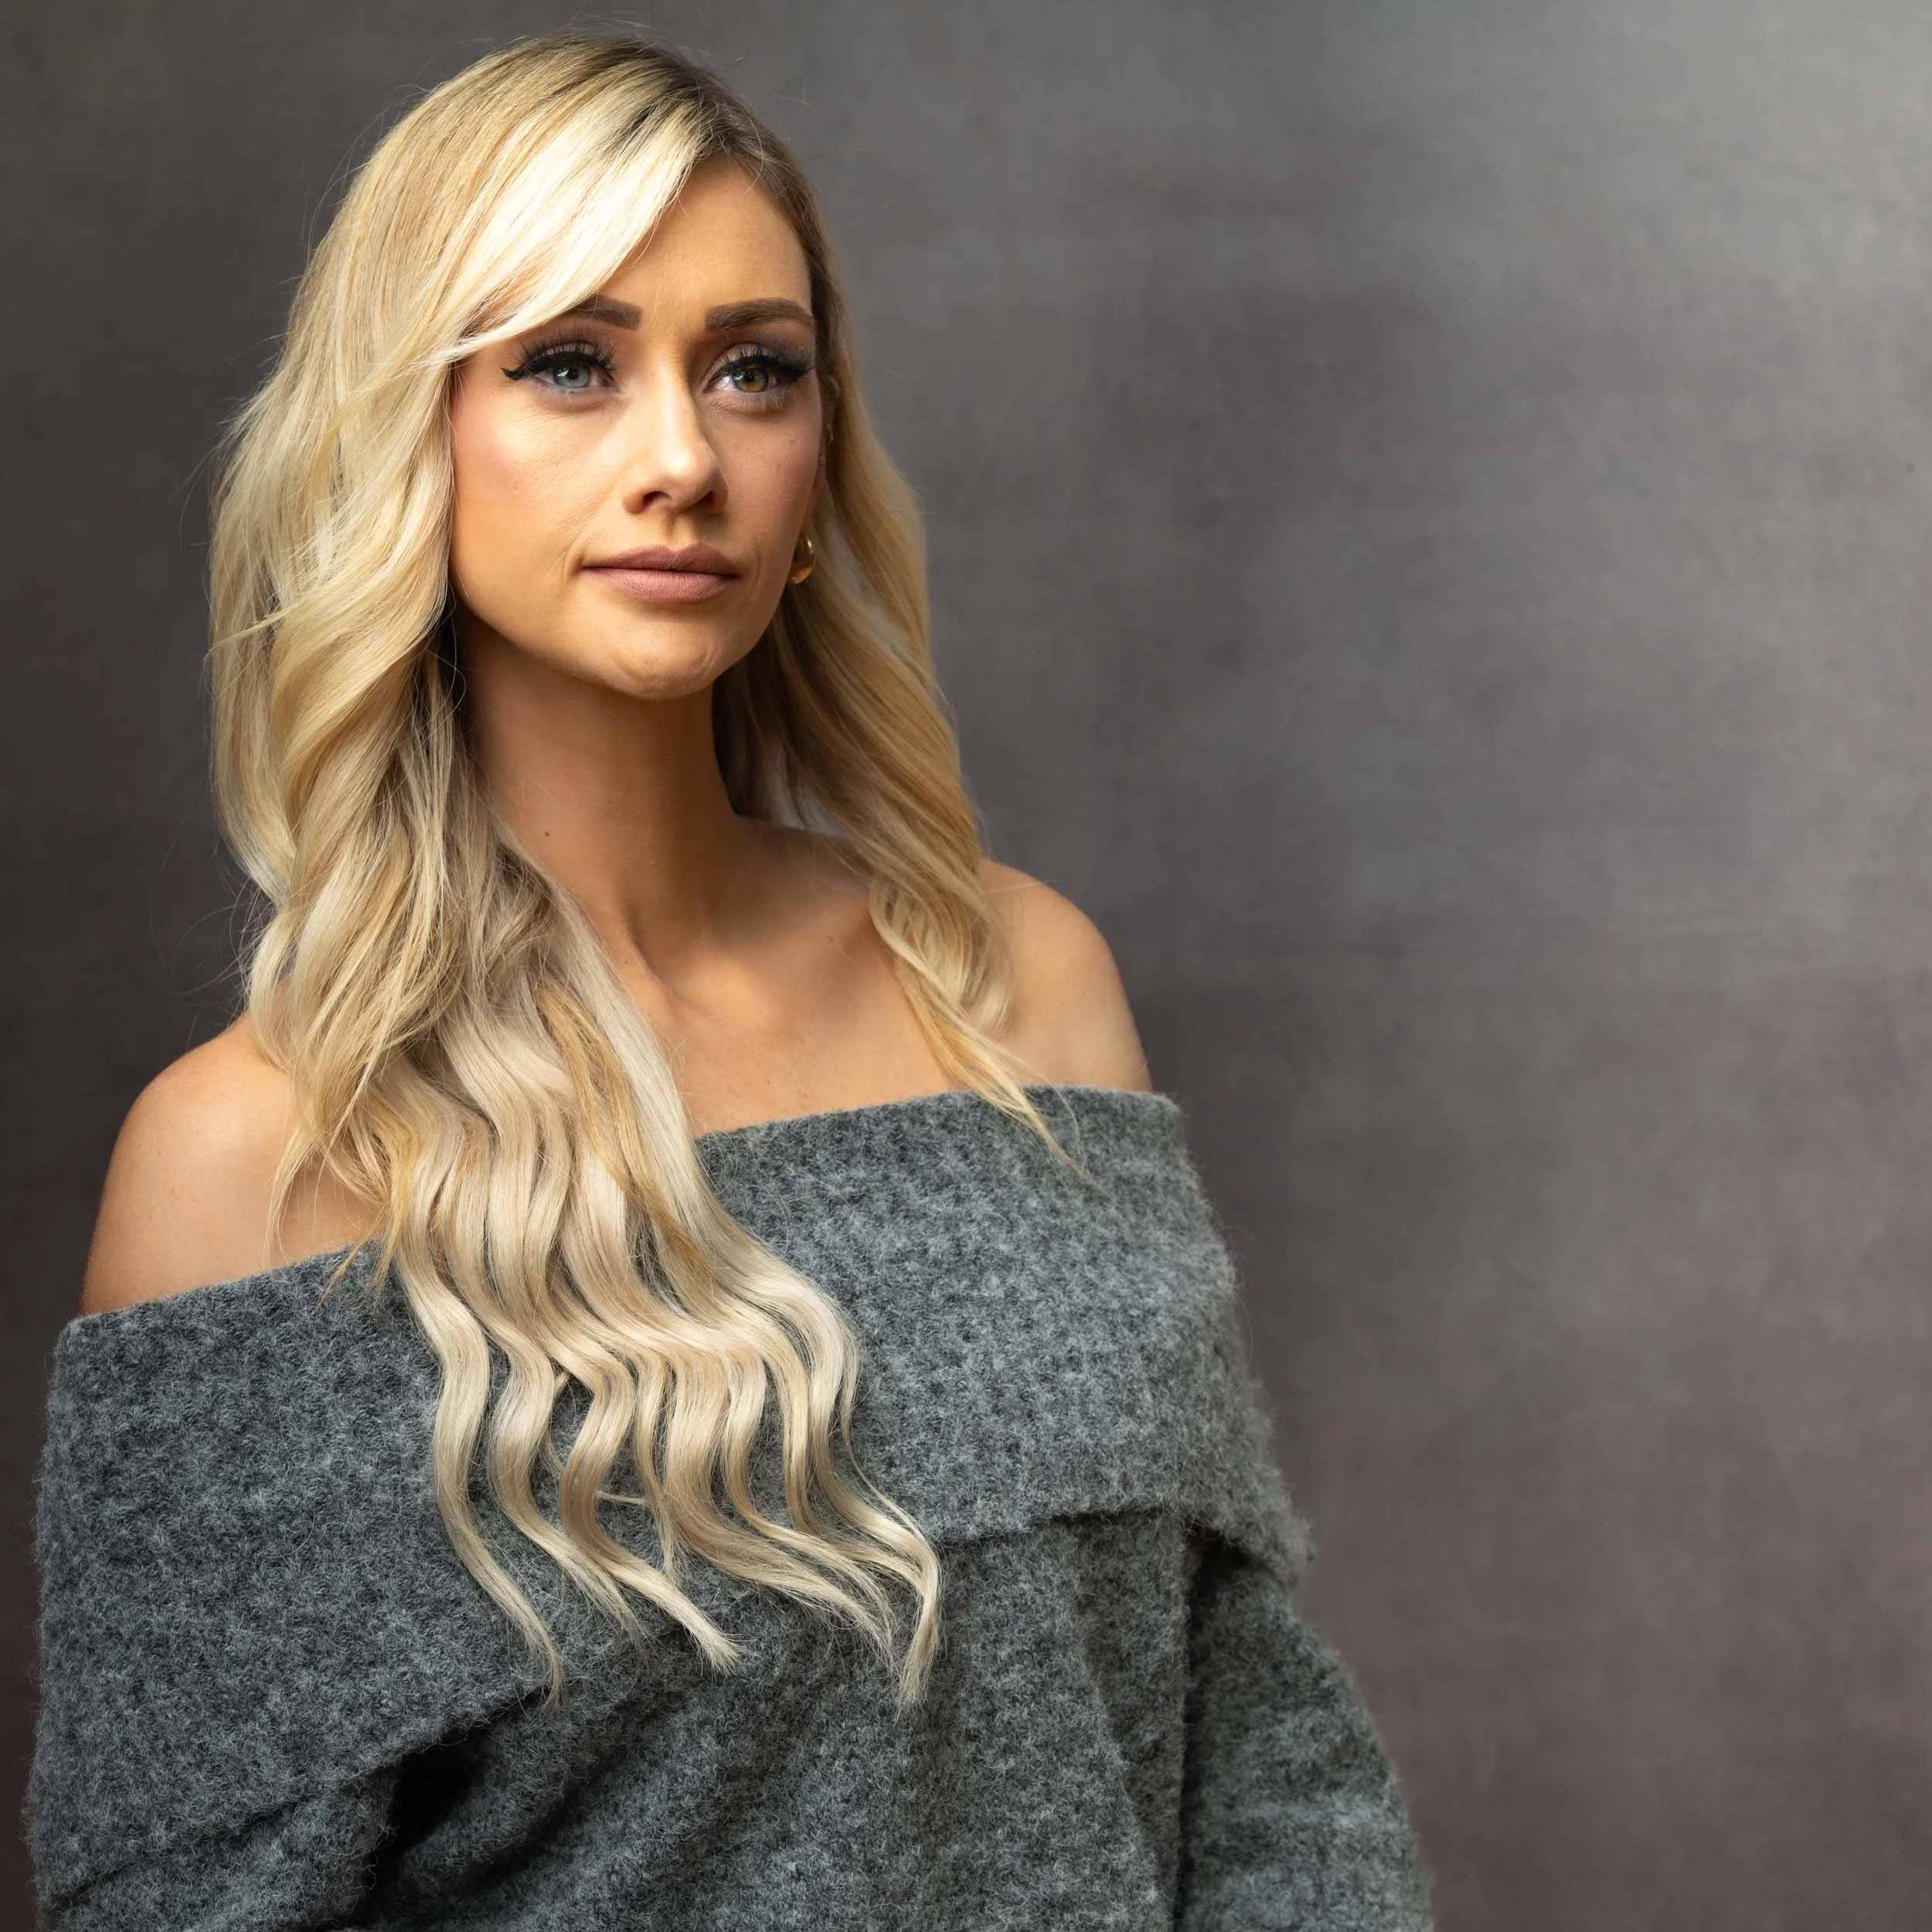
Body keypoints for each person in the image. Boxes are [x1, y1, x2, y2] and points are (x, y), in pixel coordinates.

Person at [26, 28, 1434, 1930]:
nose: (683, 457)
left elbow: (1256, 1760)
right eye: (569, 365)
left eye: (751, 369)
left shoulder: (1014, 991)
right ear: (408, 425)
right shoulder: (249, 1164)